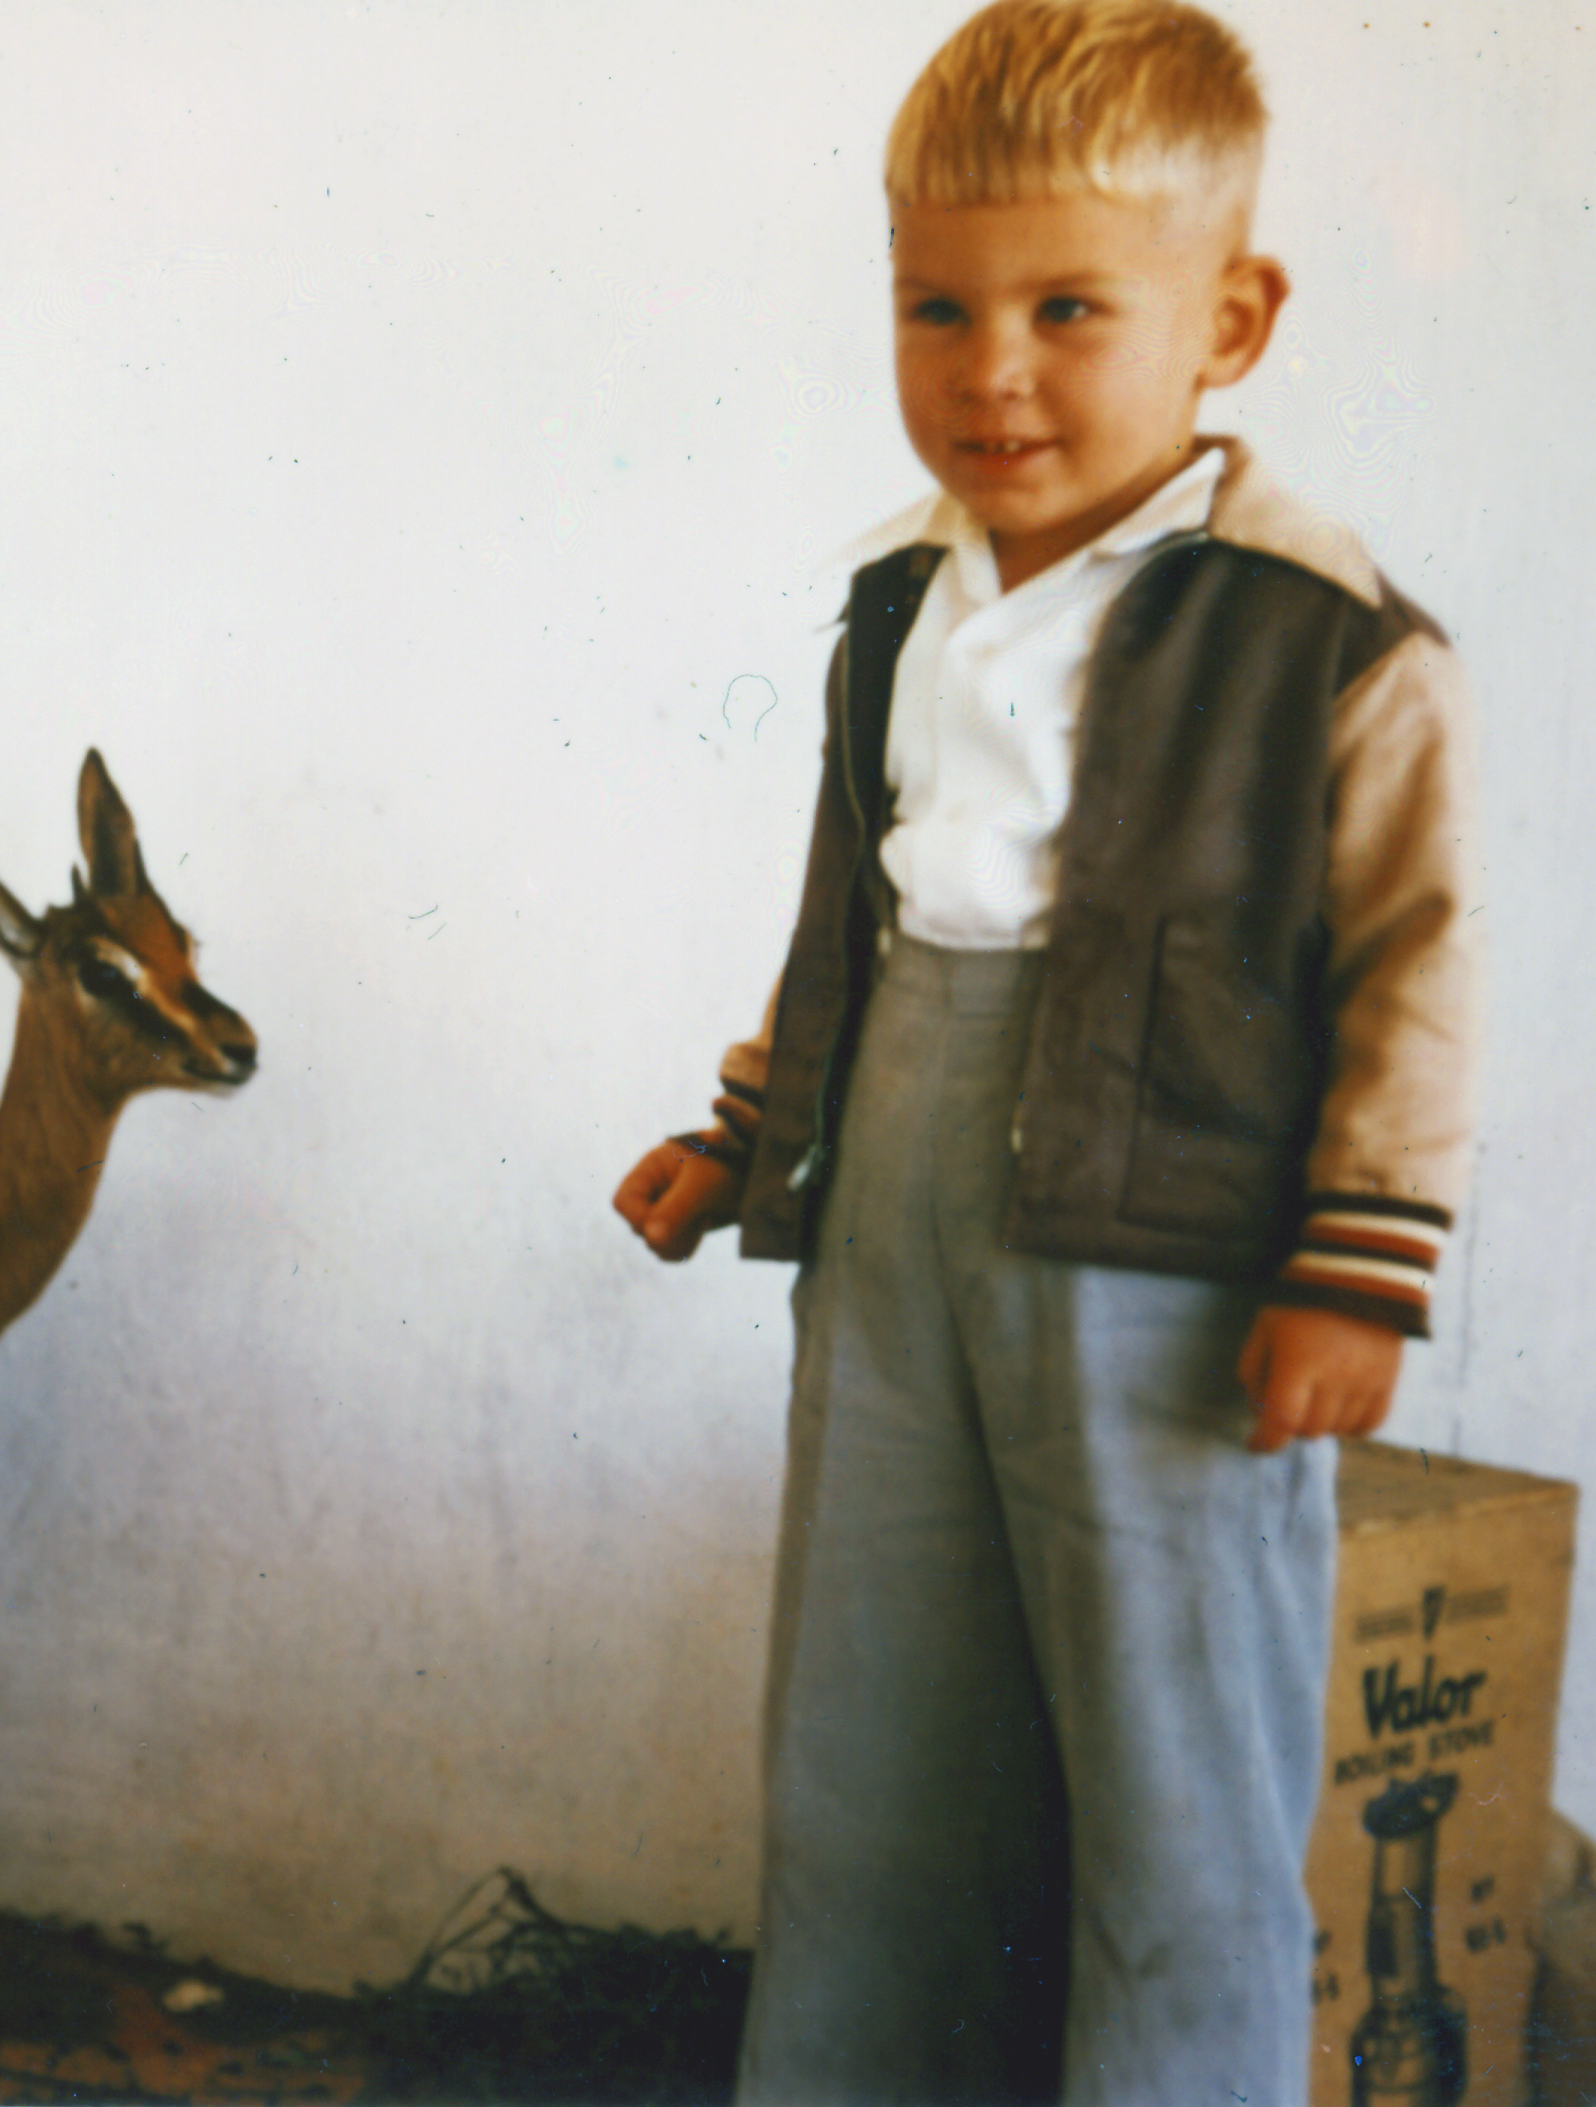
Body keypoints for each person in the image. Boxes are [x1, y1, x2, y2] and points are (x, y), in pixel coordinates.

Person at [610, 3, 1478, 2099]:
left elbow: (1404, 966)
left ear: (1229, 317)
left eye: (1065, 307)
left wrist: (1357, 1264)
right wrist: (744, 1131)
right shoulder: (894, 606)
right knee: (866, 1755)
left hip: (1163, 1272)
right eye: (936, 304)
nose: (989, 369)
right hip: (891, 1230)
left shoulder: (1310, 634)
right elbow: (856, 916)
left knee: (1176, 1803)